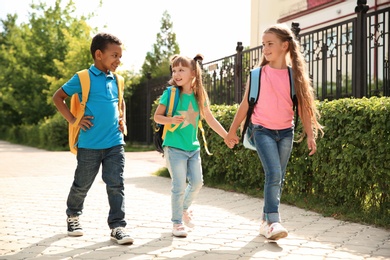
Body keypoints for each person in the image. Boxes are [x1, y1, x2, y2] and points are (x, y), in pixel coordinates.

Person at [225, 24, 323, 241]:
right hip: (262, 131)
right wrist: (231, 132)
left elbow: (303, 108)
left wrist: (310, 134)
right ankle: (274, 221)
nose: (265, 48)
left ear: (284, 46)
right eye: (263, 44)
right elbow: (244, 105)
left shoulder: (293, 76)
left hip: (286, 132)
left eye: (270, 44)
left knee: (277, 176)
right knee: (274, 173)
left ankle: (264, 222)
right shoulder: (258, 74)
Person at [52, 32, 133, 245]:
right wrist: (74, 120)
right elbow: (58, 97)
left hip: (115, 142)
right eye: (114, 55)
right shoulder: (83, 78)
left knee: (116, 184)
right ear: (99, 54)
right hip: (90, 145)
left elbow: (120, 101)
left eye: (120, 56)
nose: (119, 60)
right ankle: (73, 215)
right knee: (82, 184)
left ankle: (118, 227)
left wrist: (122, 118)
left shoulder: (118, 79)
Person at [154, 54, 234, 237]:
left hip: (193, 148)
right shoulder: (170, 94)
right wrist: (170, 119)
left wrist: (226, 136)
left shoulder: (199, 95)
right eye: (174, 70)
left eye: (181, 69)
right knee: (179, 185)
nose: (176, 73)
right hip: (174, 147)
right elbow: (157, 117)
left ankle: (183, 209)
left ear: (193, 73)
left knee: (197, 182)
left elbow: (210, 119)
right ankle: (177, 223)